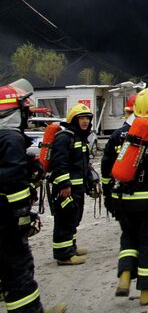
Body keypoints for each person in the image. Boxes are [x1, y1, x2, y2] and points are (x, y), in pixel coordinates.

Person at [0, 84, 68, 313]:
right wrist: (22, 214)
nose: (27, 116)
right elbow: (13, 182)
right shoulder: (10, 139)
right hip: (6, 218)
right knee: (19, 268)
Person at [101, 86, 148, 306]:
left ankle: (125, 274)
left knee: (129, 236)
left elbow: (106, 167)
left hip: (122, 197)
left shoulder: (119, 133)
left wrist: (108, 195)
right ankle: (147, 291)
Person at [50, 103, 93, 265]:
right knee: (65, 220)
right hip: (66, 189)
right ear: (73, 120)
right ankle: (63, 255)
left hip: (77, 188)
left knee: (74, 218)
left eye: (87, 119)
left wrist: (89, 181)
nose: (85, 122)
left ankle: (71, 248)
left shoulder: (79, 138)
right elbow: (59, 163)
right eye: (81, 118)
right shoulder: (64, 138)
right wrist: (64, 185)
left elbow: (82, 164)